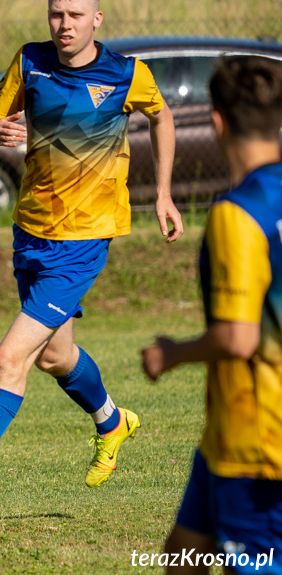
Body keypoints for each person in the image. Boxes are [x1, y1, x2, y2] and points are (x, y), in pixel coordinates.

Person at [0, 0, 183, 524]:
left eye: (76, 15)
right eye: (57, 14)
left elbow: (162, 115)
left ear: (97, 19)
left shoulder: (126, 73)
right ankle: (111, 422)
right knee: (56, 357)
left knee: (12, 359)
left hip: (83, 242)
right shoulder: (30, 61)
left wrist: (163, 194)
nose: (65, 24)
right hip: (31, 233)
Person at [141, 55, 282, 575]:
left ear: (217, 122)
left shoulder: (237, 215)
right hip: (222, 438)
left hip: (258, 441)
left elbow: (239, 339)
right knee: (183, 558)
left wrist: (171, 353)